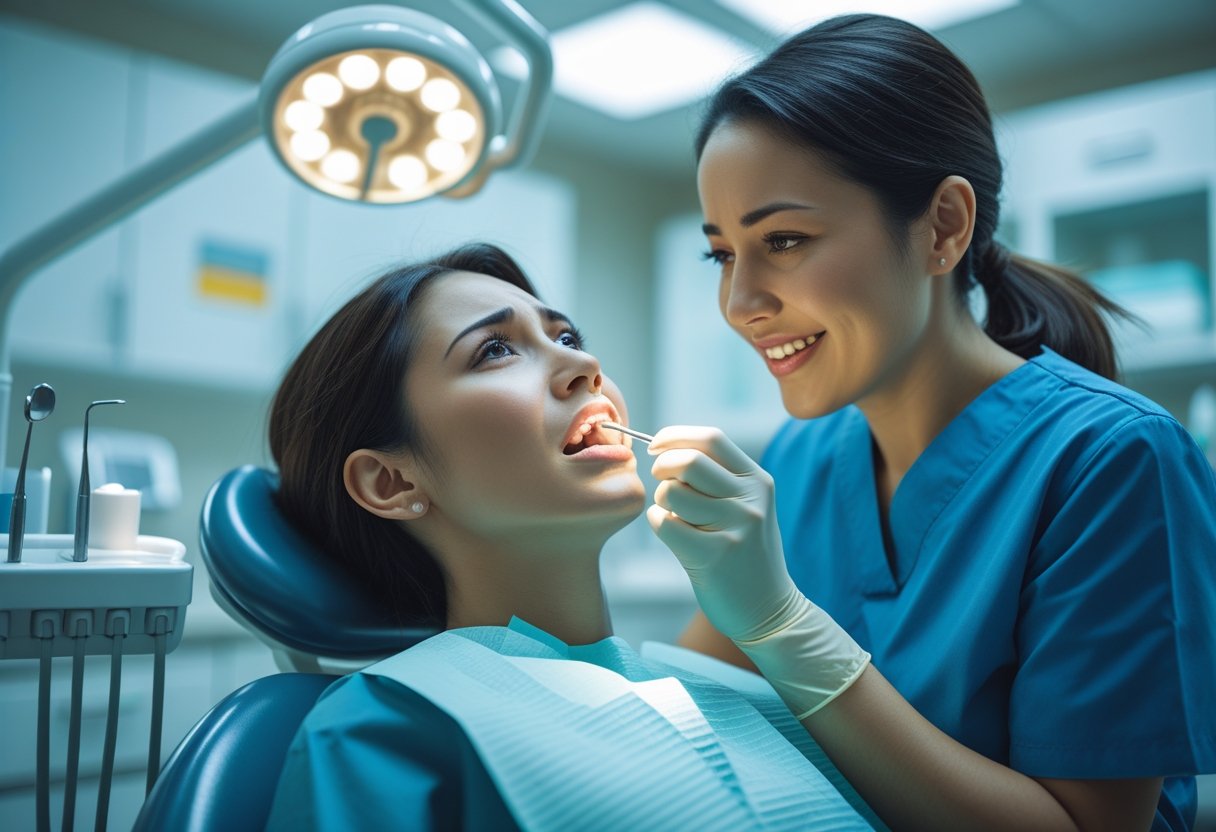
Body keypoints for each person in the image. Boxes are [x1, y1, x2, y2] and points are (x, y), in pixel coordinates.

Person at [644, 13, 1216, 832]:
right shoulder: (804, 455)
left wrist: (787, 629)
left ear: (944, 226)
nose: (740, 305)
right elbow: (684, 700)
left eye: (785, 239)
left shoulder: (1113, 459)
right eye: (723, 254)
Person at [261, 243, 885, 831]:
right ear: (391, 480)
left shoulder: (746, 695)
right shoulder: (381, 727)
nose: (584, 365)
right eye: (495, 350)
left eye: (566, 337)